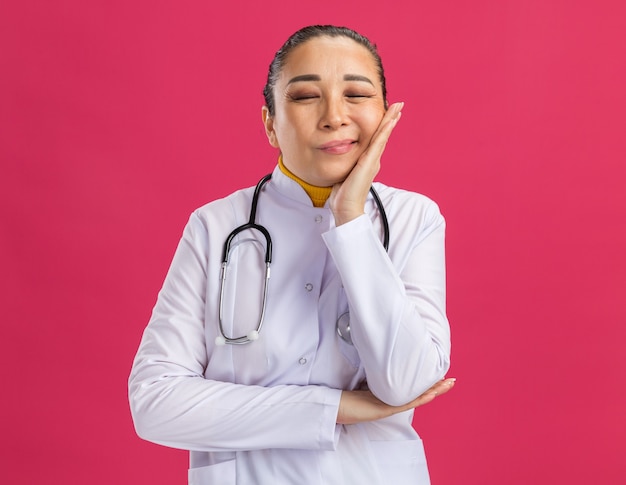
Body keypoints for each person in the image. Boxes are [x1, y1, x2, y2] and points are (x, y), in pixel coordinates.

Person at [129, 24, 453, 485]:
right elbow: (155, 404)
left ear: (385, 113)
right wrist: (337, 408)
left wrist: (351, 221)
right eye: (305, 97)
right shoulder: (215, 226)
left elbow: (405, 382)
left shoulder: (414, 218)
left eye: (357, 95)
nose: (334, 116)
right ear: (270, 123)